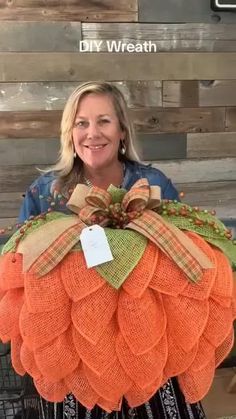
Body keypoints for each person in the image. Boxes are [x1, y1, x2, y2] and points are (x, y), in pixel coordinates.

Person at [18, 81, 206, 419]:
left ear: (122, 131)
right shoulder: (46, 192)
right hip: (75, 349)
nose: (92, 133)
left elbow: (183, 260)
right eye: (82, 123)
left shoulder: (152, 185)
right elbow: (21, 266)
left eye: (104, 121)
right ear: (70, 133)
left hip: (149, 341)